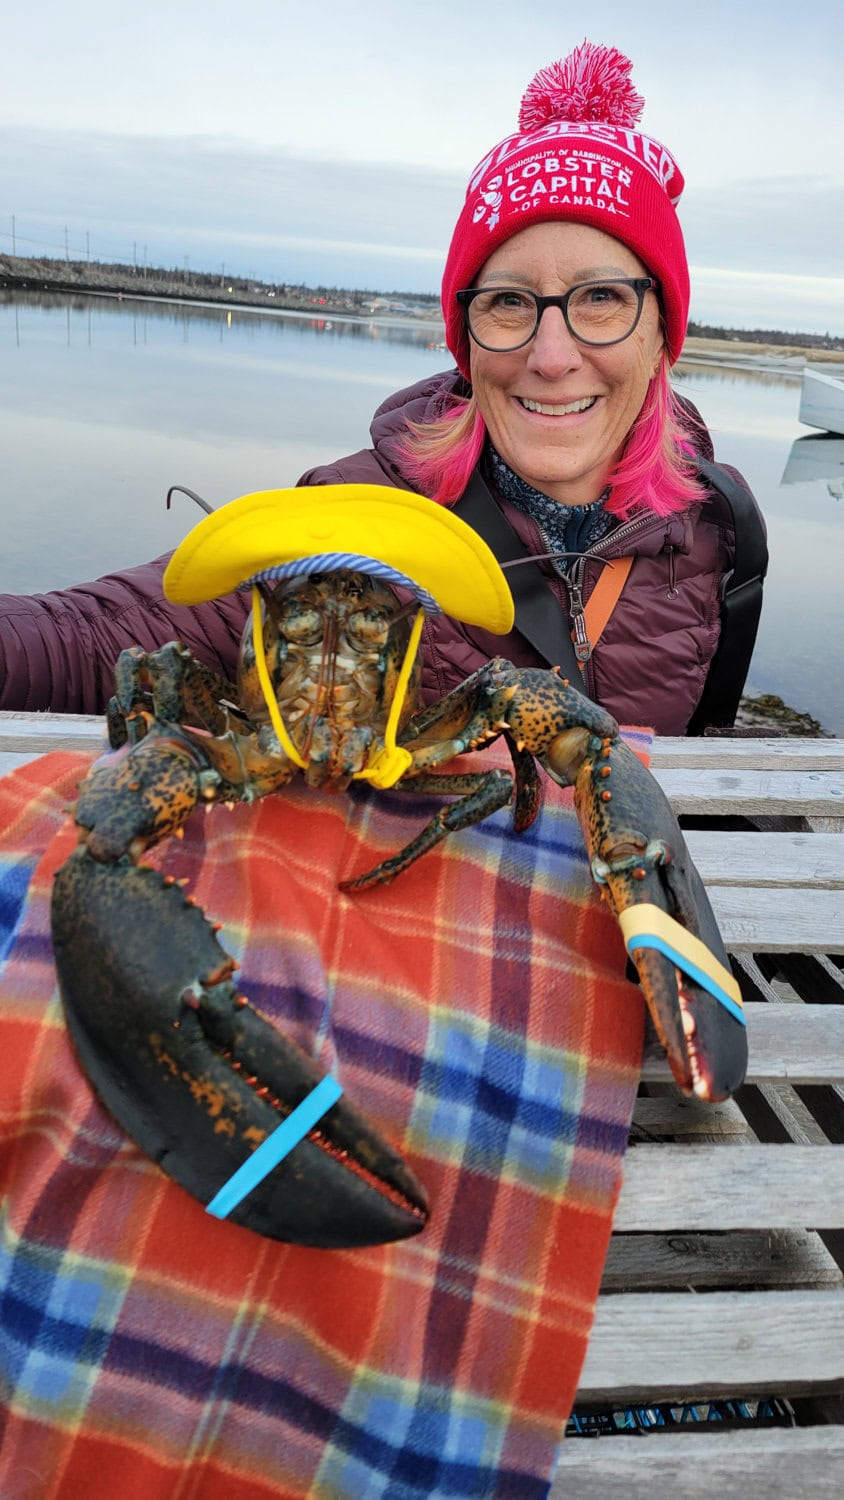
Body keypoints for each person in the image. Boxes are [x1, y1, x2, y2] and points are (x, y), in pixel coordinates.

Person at [0, 41, 765, 735]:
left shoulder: (719, 528)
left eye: (602, 297)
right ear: (465, 338)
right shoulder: (356, 516)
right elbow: (91, 639)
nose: (553, 354)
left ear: (664, 331)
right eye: (507, 301)